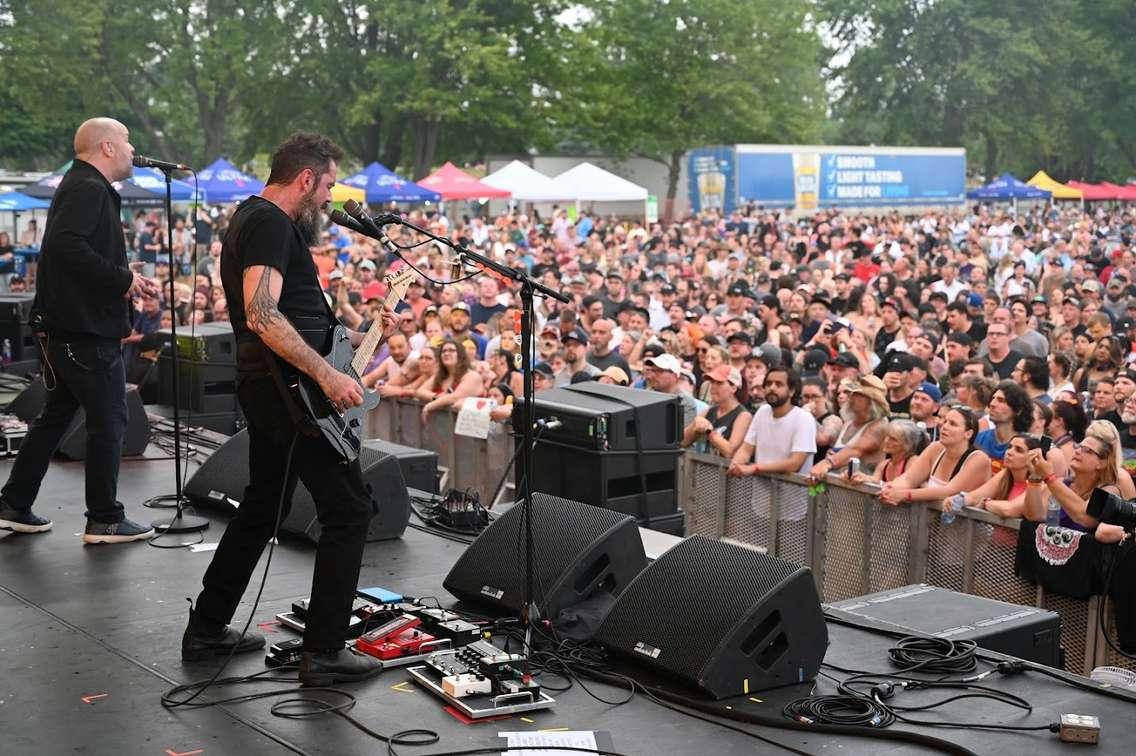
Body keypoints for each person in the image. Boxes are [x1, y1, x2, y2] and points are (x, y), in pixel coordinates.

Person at [185, 133, 398, 686]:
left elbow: (294, 317)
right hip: (295, 393)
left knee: (263, 506)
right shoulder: (270, 223)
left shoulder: (259, 221)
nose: (330, 198)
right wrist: (327, 374)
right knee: (348, 510)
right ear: (305, 179)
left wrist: (355, 335)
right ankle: (324, 652)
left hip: (276, 387)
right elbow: (261, 313)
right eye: (328, 185)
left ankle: (207, 627)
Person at [0, 117, 160, 542]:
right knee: (109, 421)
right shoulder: (88, 188)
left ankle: (14, 503)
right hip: (84, 333)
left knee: (54, 418)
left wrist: (123, 274)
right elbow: (66, 246)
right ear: (106, 147)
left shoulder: (81, 186)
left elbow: (74, 253)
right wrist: (122, 280)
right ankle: (105, 517)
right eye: (126, 140)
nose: (132, 148)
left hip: (68, 329)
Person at [1025, 421, 1134, 544]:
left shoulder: (1109, 491)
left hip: (1085, 561)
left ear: (1102, 463)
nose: (1077, 451)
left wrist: (1049, 477)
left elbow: (1084, 517)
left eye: (1087, 450)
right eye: (1079, 447)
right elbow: (1034, 515)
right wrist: (1035, 477)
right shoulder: (1061, 483)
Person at [878, 407, 991, 504]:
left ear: (968, 434)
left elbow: (949, 491)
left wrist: (905, 494)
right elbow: (909, 478)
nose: (944, 426)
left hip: (968, 528)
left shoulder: (979, 459)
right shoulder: (936, 448)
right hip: (933, 526)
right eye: (945, 421)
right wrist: (892, 487)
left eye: (953, 424)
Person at [727, 367, 817, 478]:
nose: (772, 388)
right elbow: (746, 449)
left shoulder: (804, 418)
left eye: (779, 384)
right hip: (760, 492)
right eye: (769, 384)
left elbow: (795, 463)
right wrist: (736, 464)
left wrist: (755, 468)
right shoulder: (762, 412)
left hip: (791, 493)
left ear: (792, 391)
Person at [810, 374, 889, 478]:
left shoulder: (879, 426)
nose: (851, 397)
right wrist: (831, 454)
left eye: (858, 394)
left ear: (871, 401)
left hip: (860, 490)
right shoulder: (848, 423)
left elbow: (856, 450)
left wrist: (828, 463)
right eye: (851, 393)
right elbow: (840, 451)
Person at [683, 364, 751, 458]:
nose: (713, 387)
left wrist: (709, 432)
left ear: (734, 388)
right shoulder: (709, 411)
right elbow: (682, 442)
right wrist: (694, 426)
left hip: (725, 471)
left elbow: (730, 452)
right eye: (712, 382)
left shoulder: (743, 415)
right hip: (704, 469)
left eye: (719, 383)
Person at [851, 419, 926, 486]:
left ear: (907, 444)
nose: (886, 441)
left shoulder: (914, 462)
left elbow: (904, 486)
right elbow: (874, 481)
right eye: (887, 436)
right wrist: (859, 476)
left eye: (893, 439)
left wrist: (877, 482)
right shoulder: (883, 465)